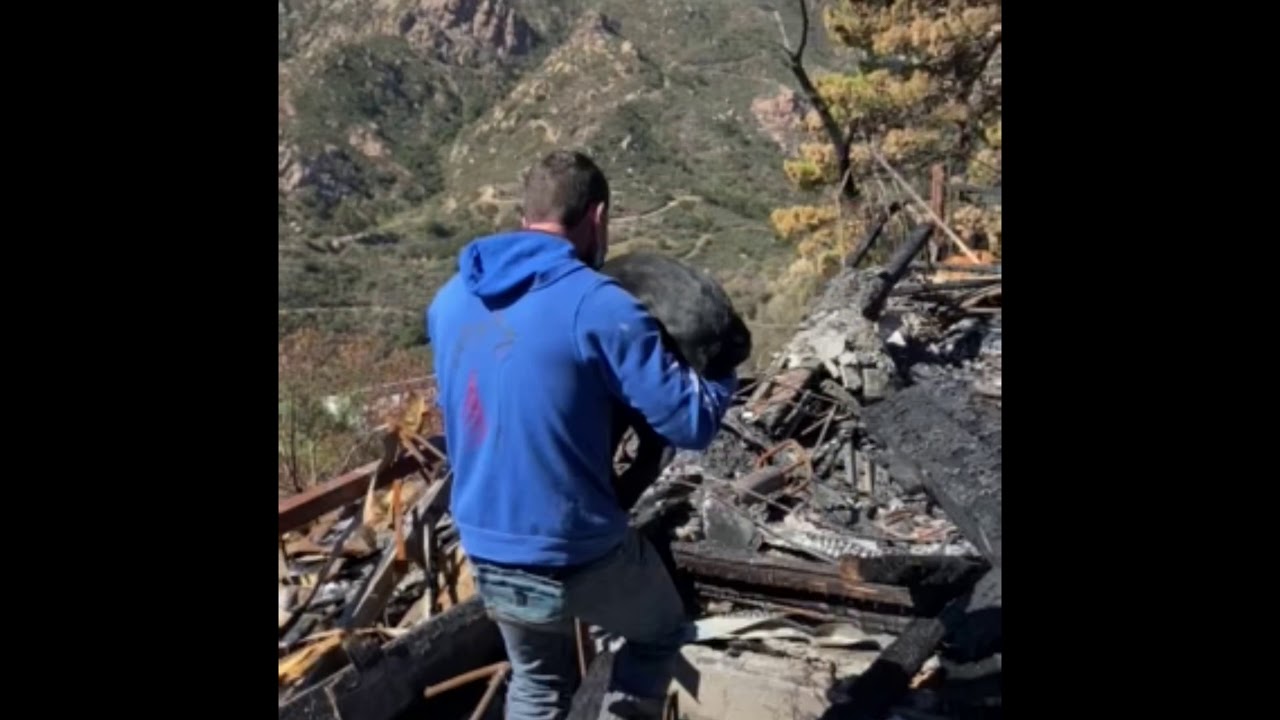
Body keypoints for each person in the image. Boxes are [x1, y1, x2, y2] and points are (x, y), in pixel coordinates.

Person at [425, 150, 736, 720]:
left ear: (526, 217)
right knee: (660, 633)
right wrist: (722, 365)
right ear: (598, 217)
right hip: (574, 550)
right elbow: (691, 424)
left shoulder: (448, 301)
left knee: (537, 683)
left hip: (486, 548)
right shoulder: (600, 307)